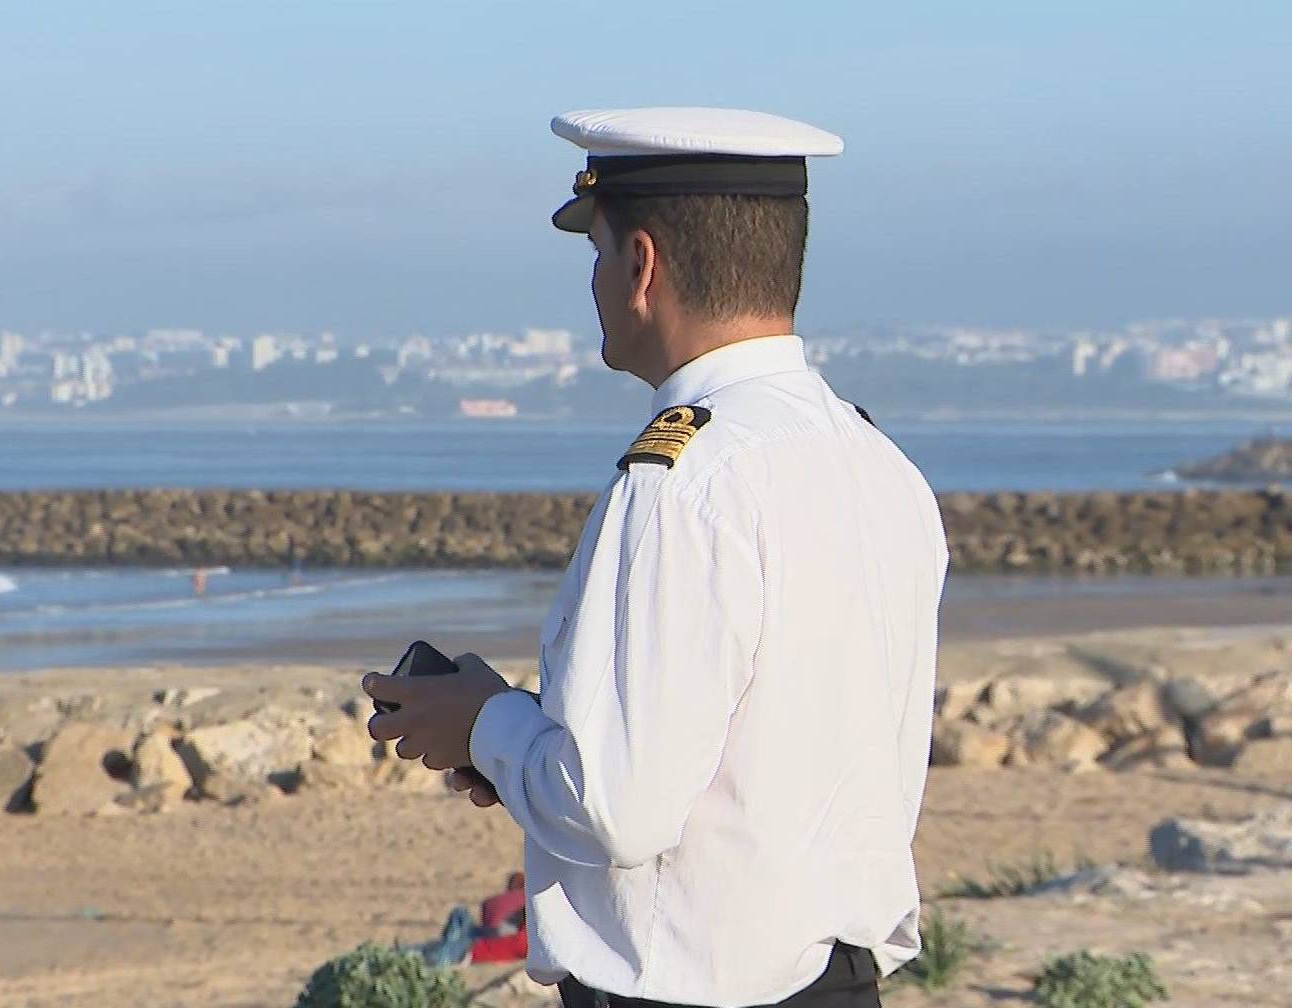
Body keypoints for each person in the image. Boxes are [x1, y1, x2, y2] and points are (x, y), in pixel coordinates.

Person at [362, 107, 947, 1008]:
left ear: (642, 266)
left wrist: (481, 724)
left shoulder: (683, 481)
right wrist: (521, 731)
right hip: (837, 979)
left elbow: (616, 808)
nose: (594, 283)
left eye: (596, 253)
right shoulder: (878, 463)